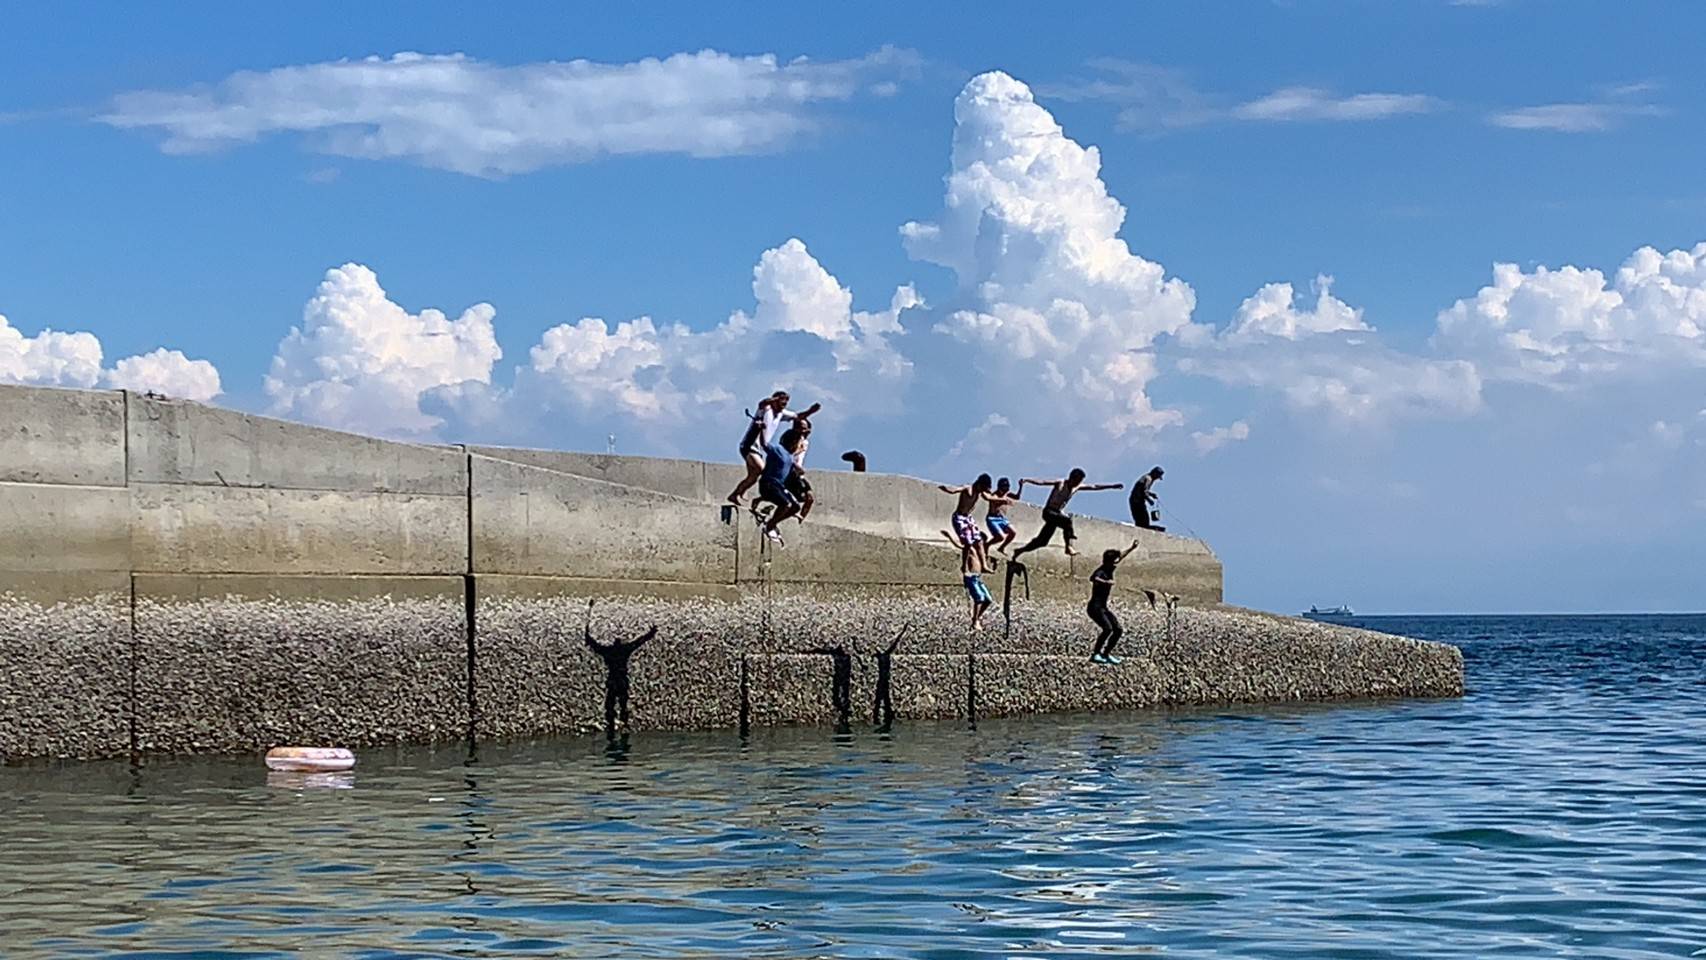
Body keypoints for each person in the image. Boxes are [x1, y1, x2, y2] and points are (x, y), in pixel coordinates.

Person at [727, 390, 820, 504]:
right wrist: (774, 400)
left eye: (785, 402)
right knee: (761, 468)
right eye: (781, 401)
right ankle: (742, 492)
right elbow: (762, 403)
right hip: (749, 445)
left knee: (754, 475)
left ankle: (736, 494)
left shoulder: (781, 413)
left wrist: (810, 411)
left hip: (759, 449)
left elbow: (798, 416)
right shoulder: (766, 409)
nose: (783, 404)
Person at [1011, 468, 1123, 560]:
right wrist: (1027, 480)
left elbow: (1094, 487)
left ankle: (1019, 551)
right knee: (1067, 521)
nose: (1078, 483)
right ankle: (1068, 546)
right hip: (1049, 512)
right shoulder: (1060, 483)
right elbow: (1043, 482)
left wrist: (1112, 486)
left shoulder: (1077, 487)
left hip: (1056, 516)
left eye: (1080, 482)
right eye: (1077, 481)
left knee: (1042, 541)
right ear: (1072, 478)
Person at [1088, 540, 1142, 664]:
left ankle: (1106, 654)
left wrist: (1132, 548)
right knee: (1107, 629)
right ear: (1108, 561)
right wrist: (1106, 582)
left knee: (1118, 629)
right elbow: (1093, 578)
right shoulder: (1101, 571)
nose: (1117, 562)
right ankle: (1095, 654)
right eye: (1115, 560)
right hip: (1094, 608)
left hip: (1103, 607)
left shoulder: (1110, 568)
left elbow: (1120, 557)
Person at [755, 425, 804, 545]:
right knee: (786, 505)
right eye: (799, 444)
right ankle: (770, 526)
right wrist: (760, 429)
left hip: (778, 487)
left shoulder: (789, 456)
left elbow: (795, 466)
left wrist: (799, 469)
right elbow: (764, 444)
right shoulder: (777, 450)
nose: (800, 447)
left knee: (796, 507)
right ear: (793, 443)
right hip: (768, 484)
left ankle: (773, 521)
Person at [938, 473, 996, 572]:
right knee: (968, 543)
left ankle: (984, 566)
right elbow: (956, 489)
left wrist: (1003, 499)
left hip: (968, 518)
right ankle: (964, 566)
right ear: (979, 484)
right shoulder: (968, 488)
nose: (982, 491)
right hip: (959, 517)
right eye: (982, 488)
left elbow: (989, 496)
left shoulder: (980, 492)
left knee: (979, 541)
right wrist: (947, 490)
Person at [940, 528, 993, 632]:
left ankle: (976, 617)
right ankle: (975, 623)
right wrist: (949, 537)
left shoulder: (981, 553)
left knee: (988, 599)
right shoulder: (970, 549)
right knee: (979, 598)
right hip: (970, 577)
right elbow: (959, 546)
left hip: (977, 578)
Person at [784, 418, 815, 522]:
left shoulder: (805, 442)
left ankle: (800, 520)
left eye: (805, 429)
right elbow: (786, 455)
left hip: (798, 474)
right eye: (801, 428)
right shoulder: (790, 439)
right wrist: (795, 466)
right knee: (796, 498)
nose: (804, 431)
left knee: (809, 498)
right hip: (790, 472)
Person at [984, 477, 1021, 554]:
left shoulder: (1007, 494)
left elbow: (1017, 497)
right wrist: (1003, 500)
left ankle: (1002, 547)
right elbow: (991, 499)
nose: (1006, 489)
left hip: (1002, 519)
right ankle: (987, 545)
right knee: (1000, 537)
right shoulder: (995, 495)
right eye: (1004, 487)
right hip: (992, 519)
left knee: (1013, 532)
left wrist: (1020, 486)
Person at [1130, 466, 1165, 531]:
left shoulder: (1147, 478)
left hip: (1137, 501)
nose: (1157, 479)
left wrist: (1151, 494)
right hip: (1137, 502)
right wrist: (1149, 500)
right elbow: (1143, 491)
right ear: (1155, 474)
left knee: (1143, 520)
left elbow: (1144, 490)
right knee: (1143, 520)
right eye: (1158, 476)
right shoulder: (1148, 479)